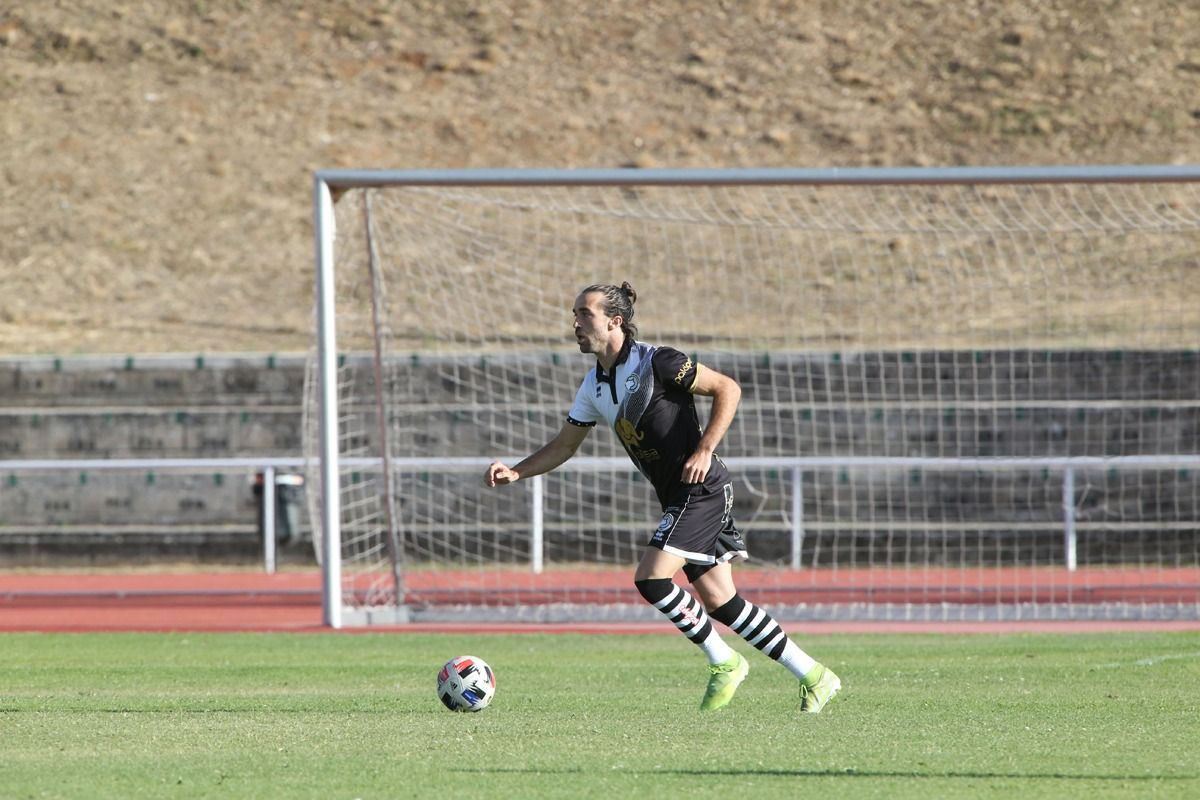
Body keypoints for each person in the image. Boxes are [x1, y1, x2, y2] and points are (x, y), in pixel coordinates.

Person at [484, 281, 841, 713]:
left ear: (614, 321)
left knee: (651, 579)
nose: (575, 323)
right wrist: (517, 471)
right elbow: (564, 446)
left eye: (584, 314)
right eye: (575, 314)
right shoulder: (593, 385)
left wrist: (705, 449)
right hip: (676, 495)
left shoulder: (659, 362)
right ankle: (815, 675)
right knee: (721, 603)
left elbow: (728, 388)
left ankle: (724, 661)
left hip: (702, 489)